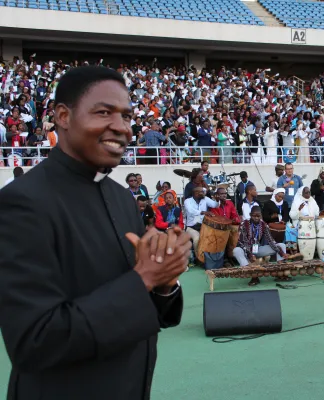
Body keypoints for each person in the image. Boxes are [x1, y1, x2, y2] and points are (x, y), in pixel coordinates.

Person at [0, 66, 191, 399]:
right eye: (104, 112)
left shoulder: (121, 198)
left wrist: (164, 284)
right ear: (63, 116)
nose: (121, 127)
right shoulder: (22, 203)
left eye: (127, 116)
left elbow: (140, 310)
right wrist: (143, 279)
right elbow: (34, 342)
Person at [232, 206, 288, 286]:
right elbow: (242, 242)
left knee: (281, 245)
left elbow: (270, 240)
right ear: (250, 215)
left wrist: (282, 253)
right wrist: (250, 254)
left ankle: (281, 272)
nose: (256, 218)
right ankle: (249, 271)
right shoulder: (243, 224)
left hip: (257, 249)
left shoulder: (263, 225)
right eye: (254, 216)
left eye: (258, 216)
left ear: (261, 215)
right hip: (245, 250)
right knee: (236, 250)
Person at [183, 186, 218, 261]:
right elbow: (190, 210)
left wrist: (217, 199)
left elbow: (214, 205)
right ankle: (200, 258)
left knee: (213, 237)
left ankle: (211, 259)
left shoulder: (205, 199)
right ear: (196, 193)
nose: (203, 193)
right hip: (191, 227)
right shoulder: (187, 201)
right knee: (197, 239)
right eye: (201, 192)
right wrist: (203, 212)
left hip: (204, 226)